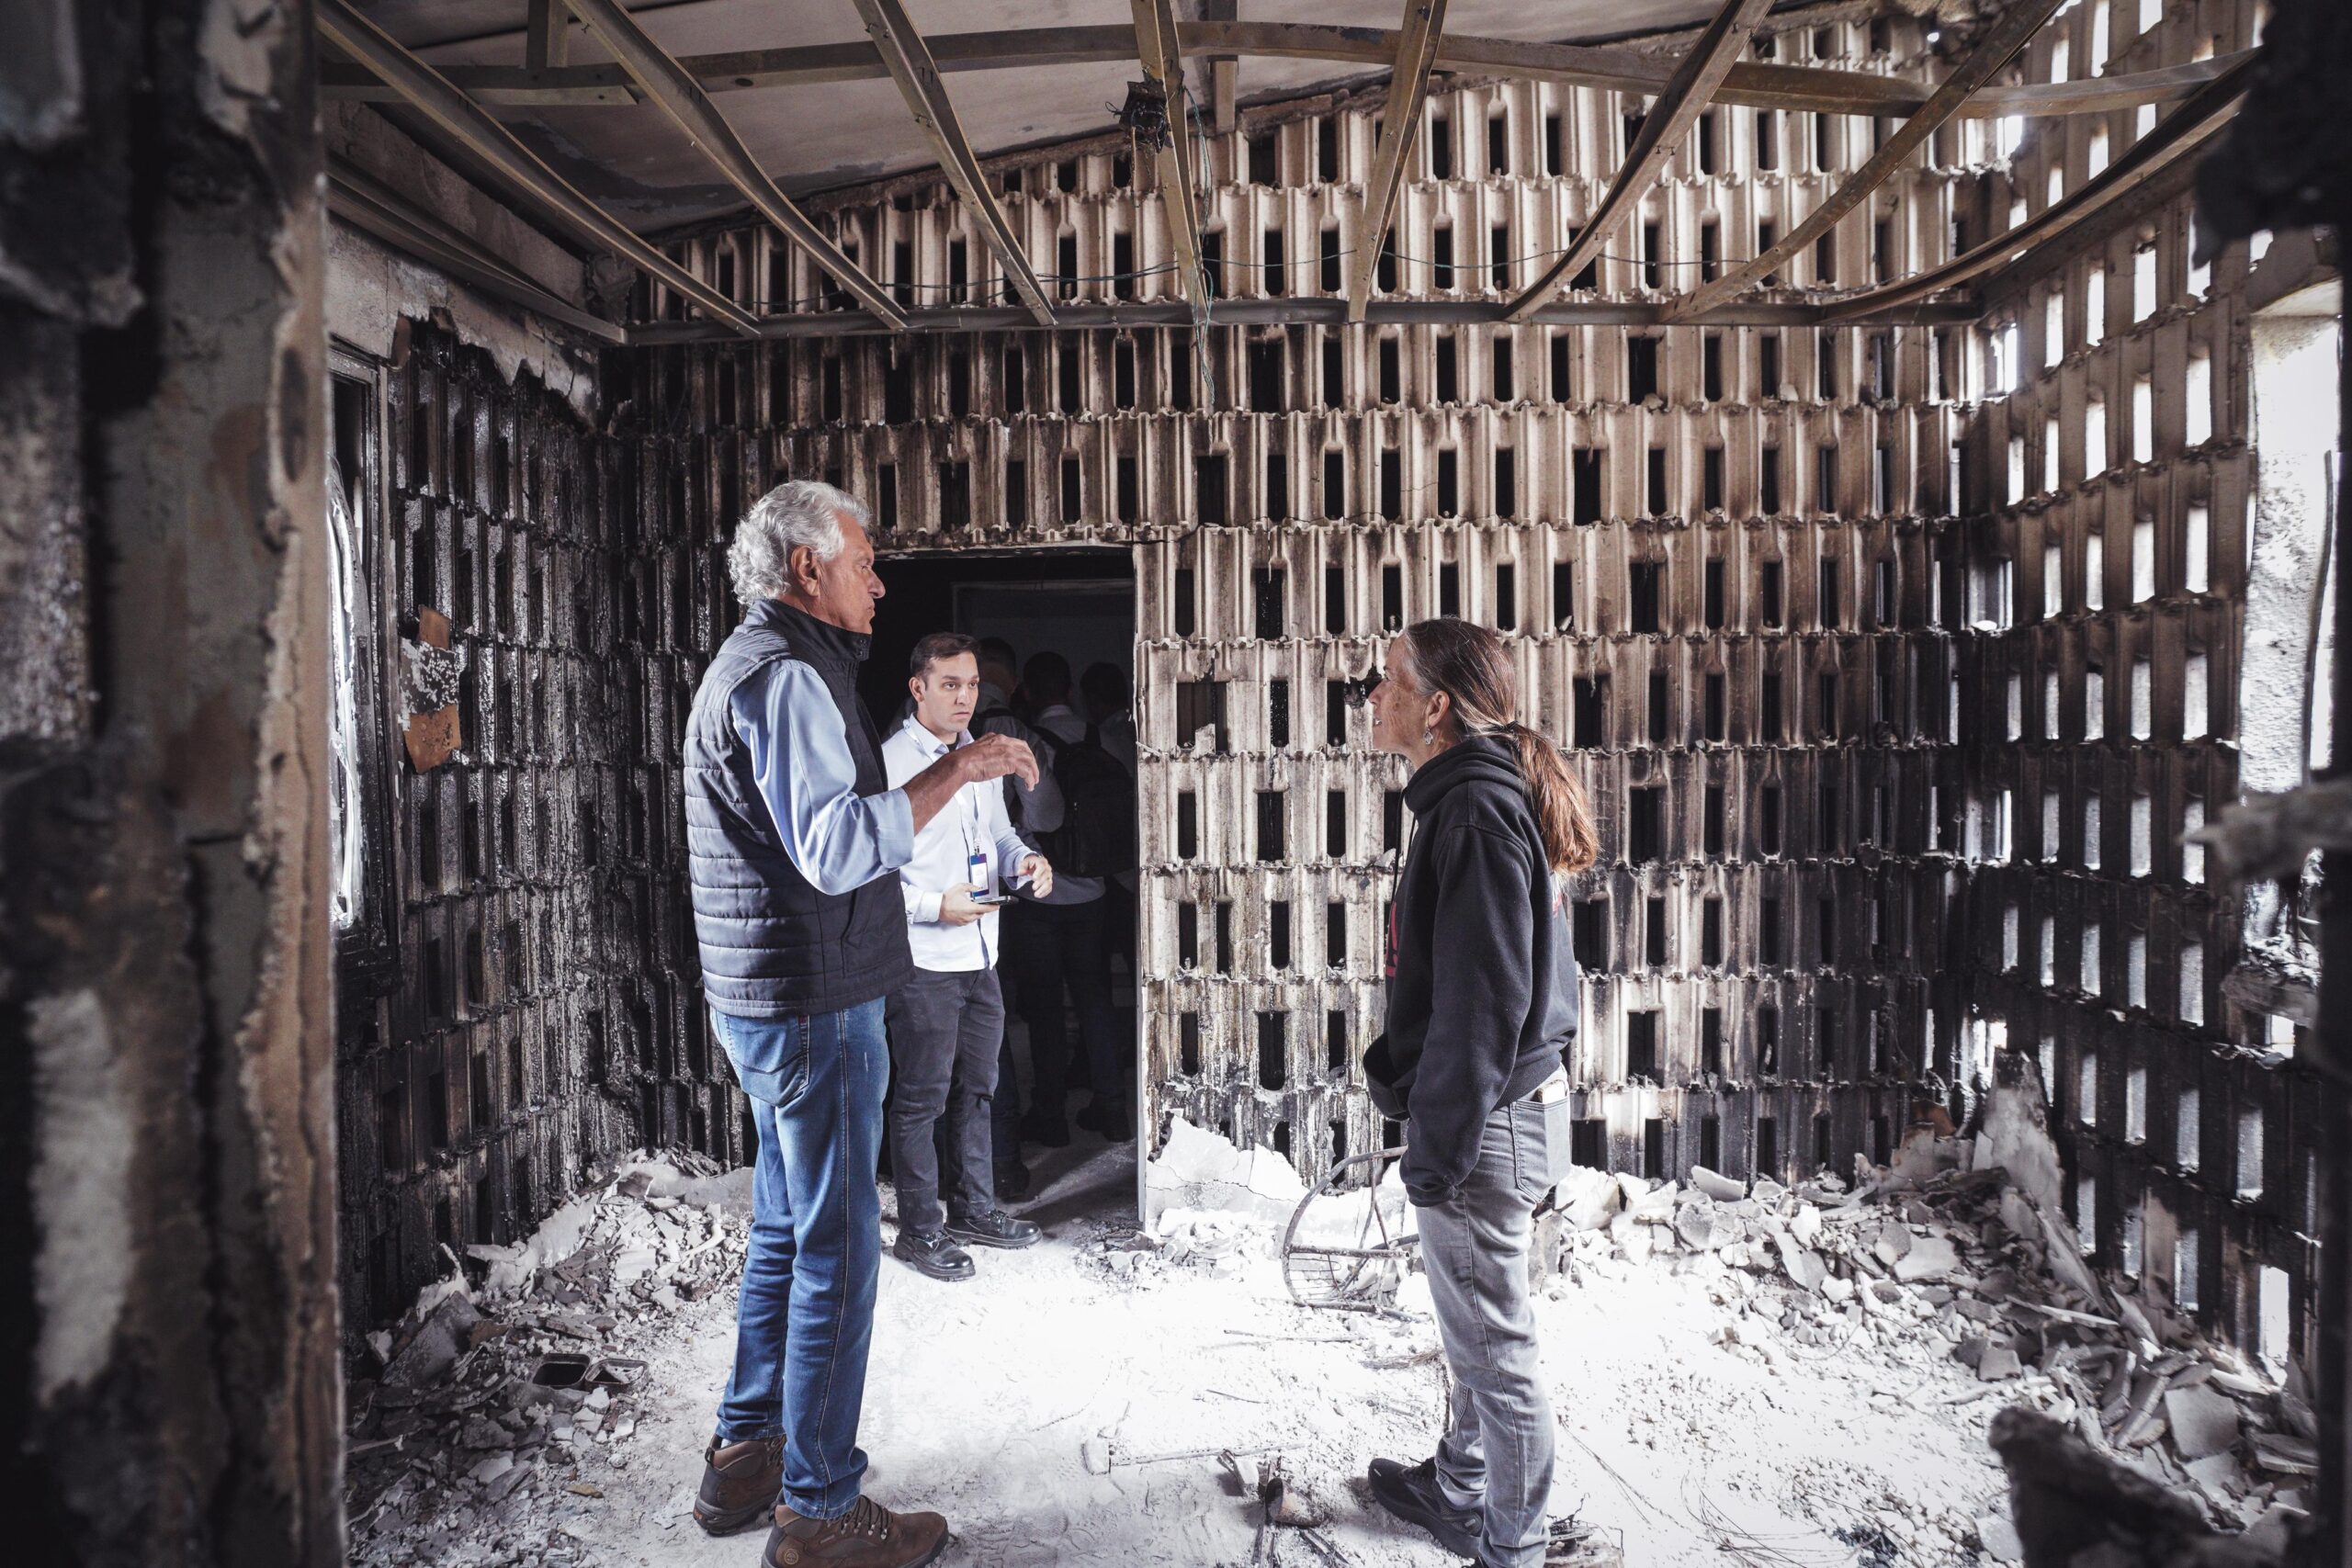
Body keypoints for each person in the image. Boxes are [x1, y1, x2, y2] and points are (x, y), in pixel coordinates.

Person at [683, 479, 1037, 1568]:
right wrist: (959, 768)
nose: (878, 584)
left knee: (785, 1229)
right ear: (806, 569)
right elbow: (835, 850)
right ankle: (820, 1508)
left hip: (768, 993)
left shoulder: (751, 663)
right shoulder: (788, 676)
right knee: (837, 1250)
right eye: (864, 563)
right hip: (815, 1001)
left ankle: (748, 1453)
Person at [1356, 617, 1599, 1568]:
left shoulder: (1473, 811)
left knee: (1497, 1354)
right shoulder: (1475, 798)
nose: (1374, 696)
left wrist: (1439, 1146)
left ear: (1437, 708)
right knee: (1475, 1325)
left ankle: (1513, 1548)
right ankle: (1457, 1490)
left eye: (1390, 679)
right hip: (1505, 1111)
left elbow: (1484, 1003)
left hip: (1487, 1122)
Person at [878, 632, 1050, 1281]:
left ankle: (974, 1210)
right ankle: (920, 1230)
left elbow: (999, 836)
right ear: (917, 687)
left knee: (978, 1090)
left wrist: (1026, 861)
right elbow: (867, 873)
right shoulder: (890, 763)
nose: (965, 697)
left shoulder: (981, 755)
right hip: (923, 959)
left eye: (973, 684)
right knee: (920, 1099)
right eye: (950, 684)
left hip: (981, 954)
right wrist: (933, 906)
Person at [1005, 650, 1131, 1144]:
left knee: (1045, 1010)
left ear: (1028, 692)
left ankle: (1050, 1115)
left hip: (1041, 897)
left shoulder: (1030, 743)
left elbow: (1036, 817)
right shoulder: (1105, 739)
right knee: (1095, 999)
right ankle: (1113, 1109)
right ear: (1070, 690)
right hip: (1094, 893)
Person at [968, 637, 1064, 1197]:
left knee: (944, 1042)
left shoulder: (917, 731)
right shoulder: (1018, 736)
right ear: (1012, 679)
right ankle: (1010, 1157)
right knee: (1012, 1020)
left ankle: (957, 1169)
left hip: (951, 900)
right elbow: (1046, 816)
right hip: (1019, 892)